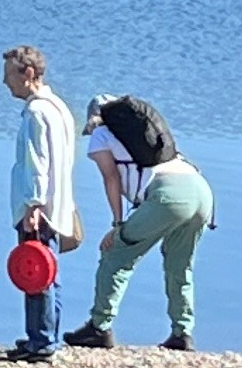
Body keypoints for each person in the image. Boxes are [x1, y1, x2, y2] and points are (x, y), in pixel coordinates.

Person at [66, 93, 213, 352]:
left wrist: (118, 224)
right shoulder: (150, 136)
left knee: (116, 254)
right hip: (201, 190)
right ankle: (182, 332)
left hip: (168, 195)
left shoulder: (102, 134)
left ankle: (99, 327)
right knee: (180, 265)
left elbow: (110, 178)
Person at [1, 46, 81, 361]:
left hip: (40, 207)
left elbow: (38, 163)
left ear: (28, 74)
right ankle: (46, 335)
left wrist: (33, 206)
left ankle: (42, 341)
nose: (5, 83)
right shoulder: (58, 107)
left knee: (35, 271)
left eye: (9, 75)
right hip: (58, 201)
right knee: (48, 271)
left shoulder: (36, 111)